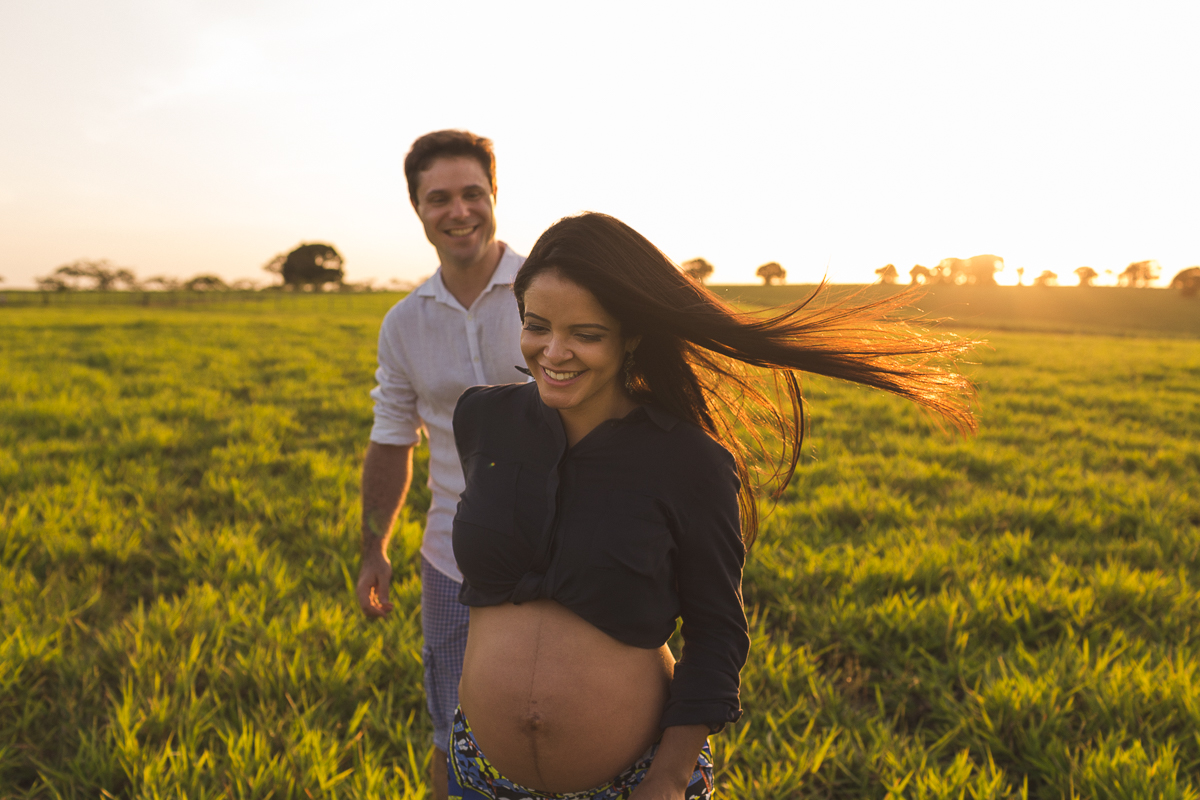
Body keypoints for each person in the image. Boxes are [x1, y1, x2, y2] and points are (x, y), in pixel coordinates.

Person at [446, 213, 978, 800]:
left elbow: (717, 632)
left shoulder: (689, 462)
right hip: (482, 774)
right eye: (536, 326)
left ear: (632, 336)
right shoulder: (483, 419)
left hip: (634, 785)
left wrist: (669, 779)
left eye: (586, 334)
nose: (554, 351)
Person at [356, 129, 526, 800]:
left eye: (472, 194)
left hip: (565, 553)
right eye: (440, 199)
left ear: (494, 196)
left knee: (566, 726)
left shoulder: (551, 289)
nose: (459, 212)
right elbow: (393, 439)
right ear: (417, 208)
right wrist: (375, 547)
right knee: (454, 733)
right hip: (452, 560)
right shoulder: (405, 323)